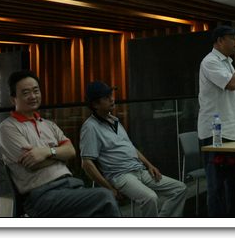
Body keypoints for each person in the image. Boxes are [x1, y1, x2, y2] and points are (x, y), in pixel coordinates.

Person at [0, 70, 122, 218]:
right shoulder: (8, 127)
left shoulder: (48, 124)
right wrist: (59, 155)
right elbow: (33, 163)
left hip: (70, 187)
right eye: (25, 93)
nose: (33, 96)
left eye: (36, 91)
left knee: (100, 211)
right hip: (42, 196)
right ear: (13, 100)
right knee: (105, 196)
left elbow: (71, 151)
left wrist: (46, 152)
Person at [80, 81, 187, 218]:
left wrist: (149, 165)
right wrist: (108, 188)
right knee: (150, 198)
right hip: (120, 175)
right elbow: (87, 164)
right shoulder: (90, 127)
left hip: (138, 169)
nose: (112, 99)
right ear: (95, 104)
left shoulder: (114, 121)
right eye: (106, 97)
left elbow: (131, 148)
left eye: (111, 95)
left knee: (180, 189)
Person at [197, 25, 235, 217]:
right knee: (218, 186)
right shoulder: (210, 61)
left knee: (234, 183)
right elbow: (231, 84)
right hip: (216, 134)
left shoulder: (228, 63)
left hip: (234, 132)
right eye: (232, 38)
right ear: (220, 41)